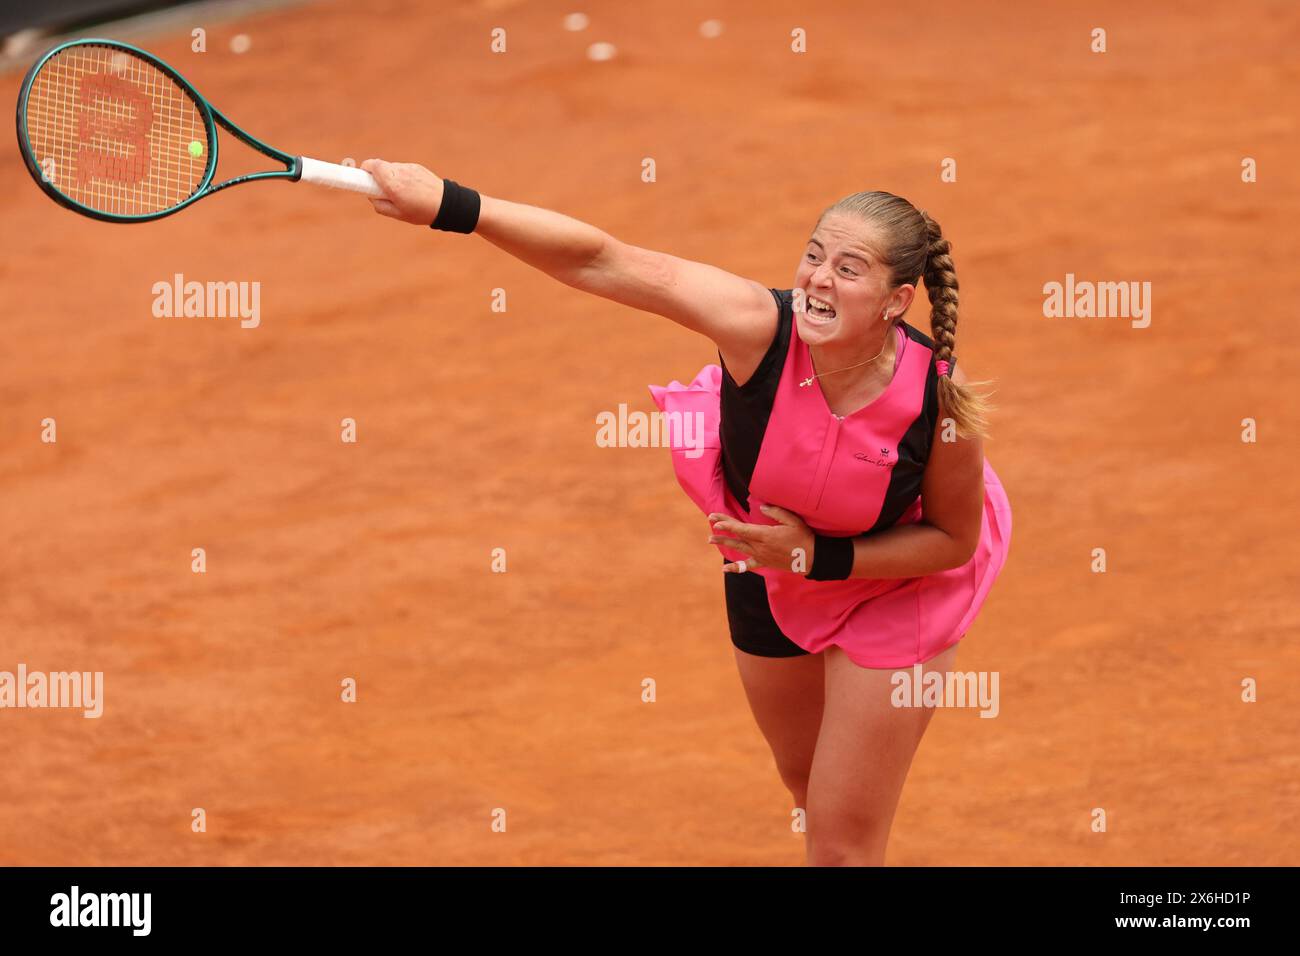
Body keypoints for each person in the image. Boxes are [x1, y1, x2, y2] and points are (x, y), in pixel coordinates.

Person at [360, 160, 1012, 866]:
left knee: (842, 845)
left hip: (895, 583)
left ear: (897, 301)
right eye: (814, 255)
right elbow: (603, 260)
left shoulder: (937, 400)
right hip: (767, 568)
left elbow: (951, 540)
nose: (819, 278)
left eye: (849, 269)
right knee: (806, 785)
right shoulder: (758, 327)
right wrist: (452, 205)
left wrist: (819, 557)